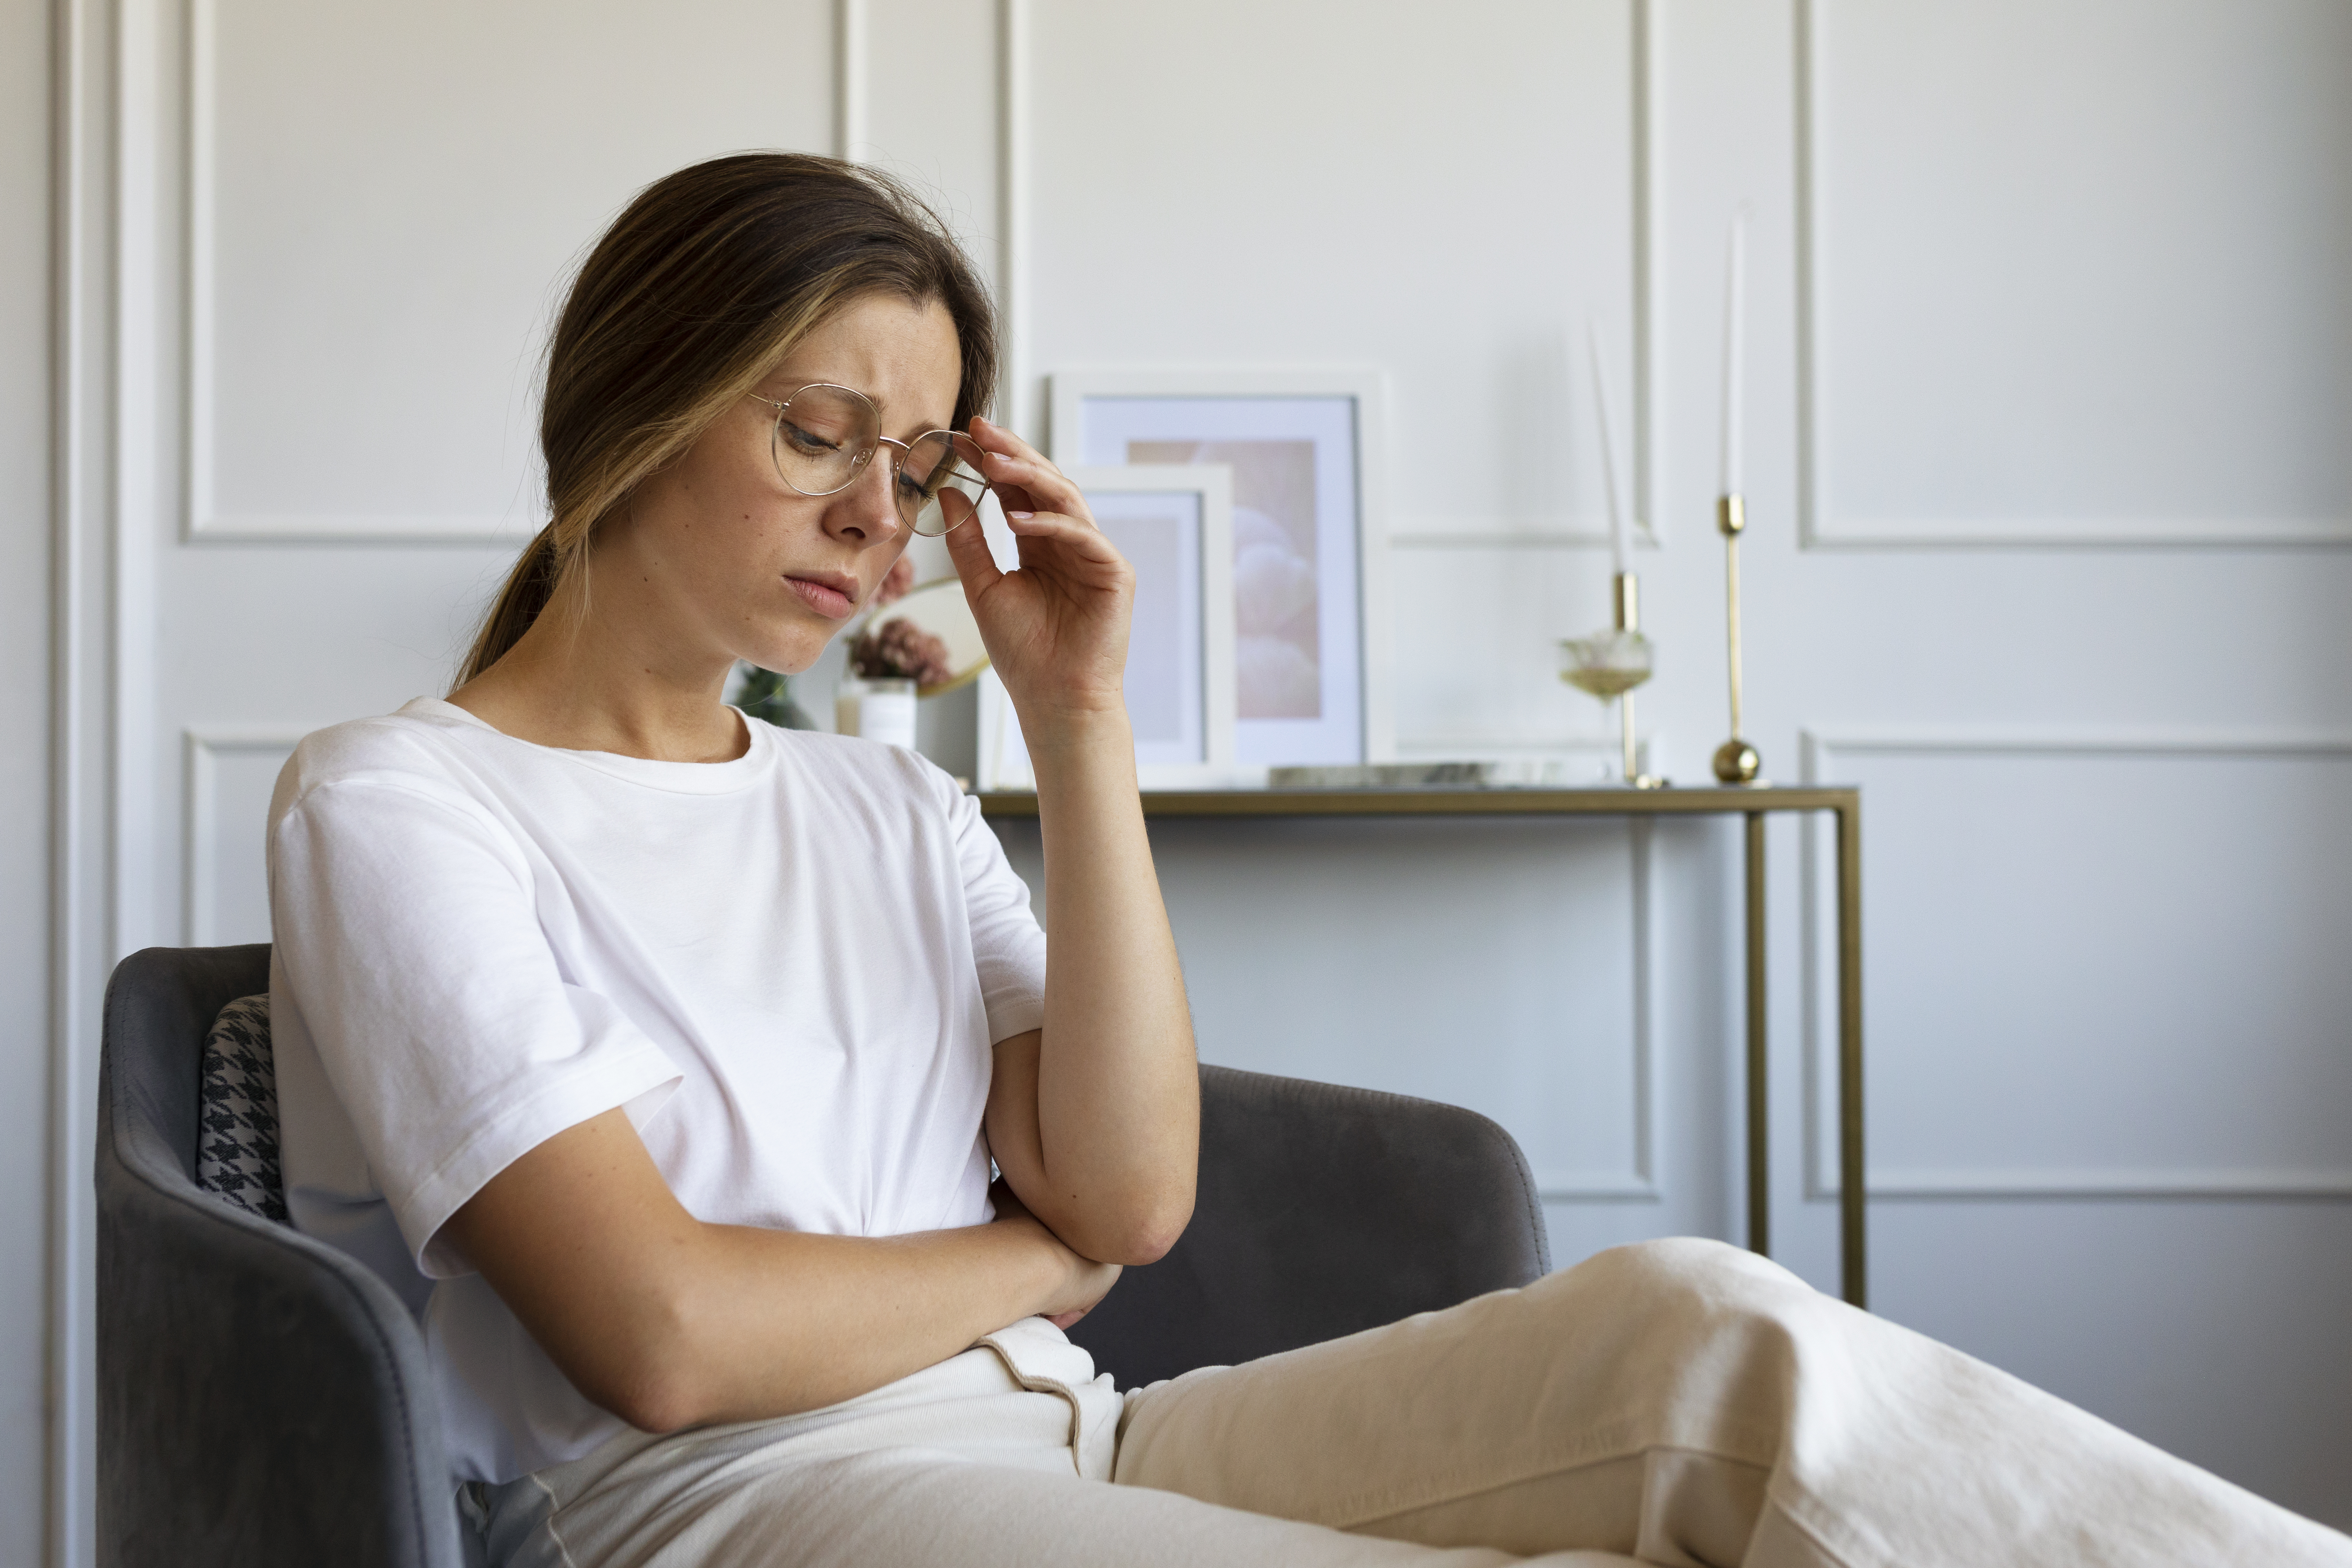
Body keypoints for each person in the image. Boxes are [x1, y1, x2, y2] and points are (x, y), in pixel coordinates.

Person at [267, 152, 2350, 1568]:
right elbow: (666, 1335)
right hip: (738, 1506)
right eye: (817, 434)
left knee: (1704, 1326)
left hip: (1071, 1432)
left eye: (912, 470)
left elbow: (1138, 1188)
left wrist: (1078, 717)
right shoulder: (399, 800)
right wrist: (1038, 1266)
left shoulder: (882, 801)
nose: (873, 519)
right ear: (633, 407)